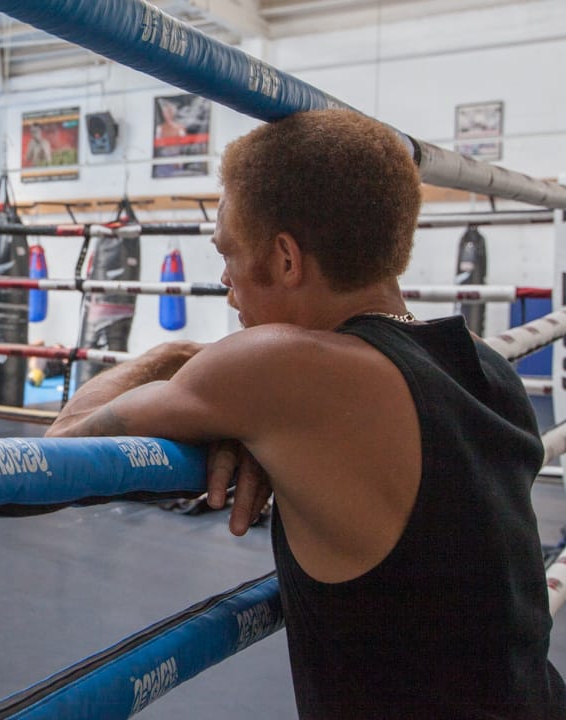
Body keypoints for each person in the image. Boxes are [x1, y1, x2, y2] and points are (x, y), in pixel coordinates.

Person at [47, 109, 565, 718]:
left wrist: (173, 355)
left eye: (230, 251)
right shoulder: (486, 366)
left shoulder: (279, 369)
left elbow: (61, 447)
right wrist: (259, 430)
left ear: (287, 260)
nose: (225, 278)